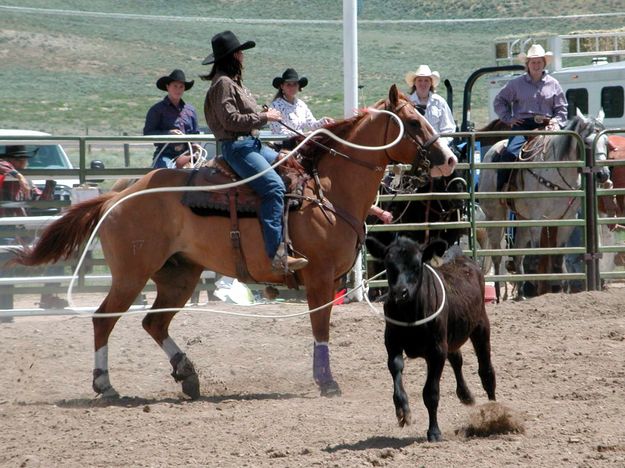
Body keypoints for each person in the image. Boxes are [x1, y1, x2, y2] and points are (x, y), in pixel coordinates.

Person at [201, 30, 308, 272]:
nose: (242, 56)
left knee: (291, 166)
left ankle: (292, 239)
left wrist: (262, 114)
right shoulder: (223, 84)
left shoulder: (232, 83)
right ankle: (277, 256)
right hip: (237, 147)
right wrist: (264, 116)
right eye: (239, 52)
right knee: (273, 188)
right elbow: (230, 121)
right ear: (231, 57)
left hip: (252, 144)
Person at [0, 145, 67, 312]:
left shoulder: (25, 180)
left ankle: (48, 296)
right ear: (15, 161)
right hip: (6, 232)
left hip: (21, 233)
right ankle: (5, 310)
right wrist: (18, 175)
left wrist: (50, 184)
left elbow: (40, 201)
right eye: (22, 160)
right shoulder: (9, 174)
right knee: (6, 260)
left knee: (58, 250)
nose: (26, 163)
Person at [493, 44, 568, 191]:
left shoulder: (554, 84)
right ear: (527, 64)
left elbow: (561, 108)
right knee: (510, 154)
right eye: (533, 62)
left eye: (539, 61)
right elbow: (499, 101)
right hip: (523, 125)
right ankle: (503, 188)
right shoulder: (516, 84)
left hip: (547, 126)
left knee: (565, 152)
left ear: (544, 63)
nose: (536, 65)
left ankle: (570, 190)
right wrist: (509, 118)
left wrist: (556, 122)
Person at [143, 69, 200, 168]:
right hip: (165, 154)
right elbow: (148, 133)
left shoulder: (190, 111)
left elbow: (195, 133)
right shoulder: (157, 110)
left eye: (181, 86)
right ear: (167, 87)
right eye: (175, 86)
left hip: (187, 154)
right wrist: (168, 134)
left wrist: (195, 145)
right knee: (166, 173)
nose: (178, 89)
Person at [269, 68, 334, 136]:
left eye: (295, 84)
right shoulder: (276, 106)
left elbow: (312, 125)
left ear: (298, 86)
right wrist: (302, 135)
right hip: (284, 145)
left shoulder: (301, 105)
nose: (292, 87)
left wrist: (324, 121)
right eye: (288, 84)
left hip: (301, 142)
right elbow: (279, 132)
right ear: (282, 86)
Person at [405, 65, 456, 145]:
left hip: (438, 147)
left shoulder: (440, 102)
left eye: (426, 80)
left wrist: (440, 145)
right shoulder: (407, 103)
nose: (423, 83)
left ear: (431, 83)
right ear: (414, 83)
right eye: (420, 80)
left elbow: (448, 129)